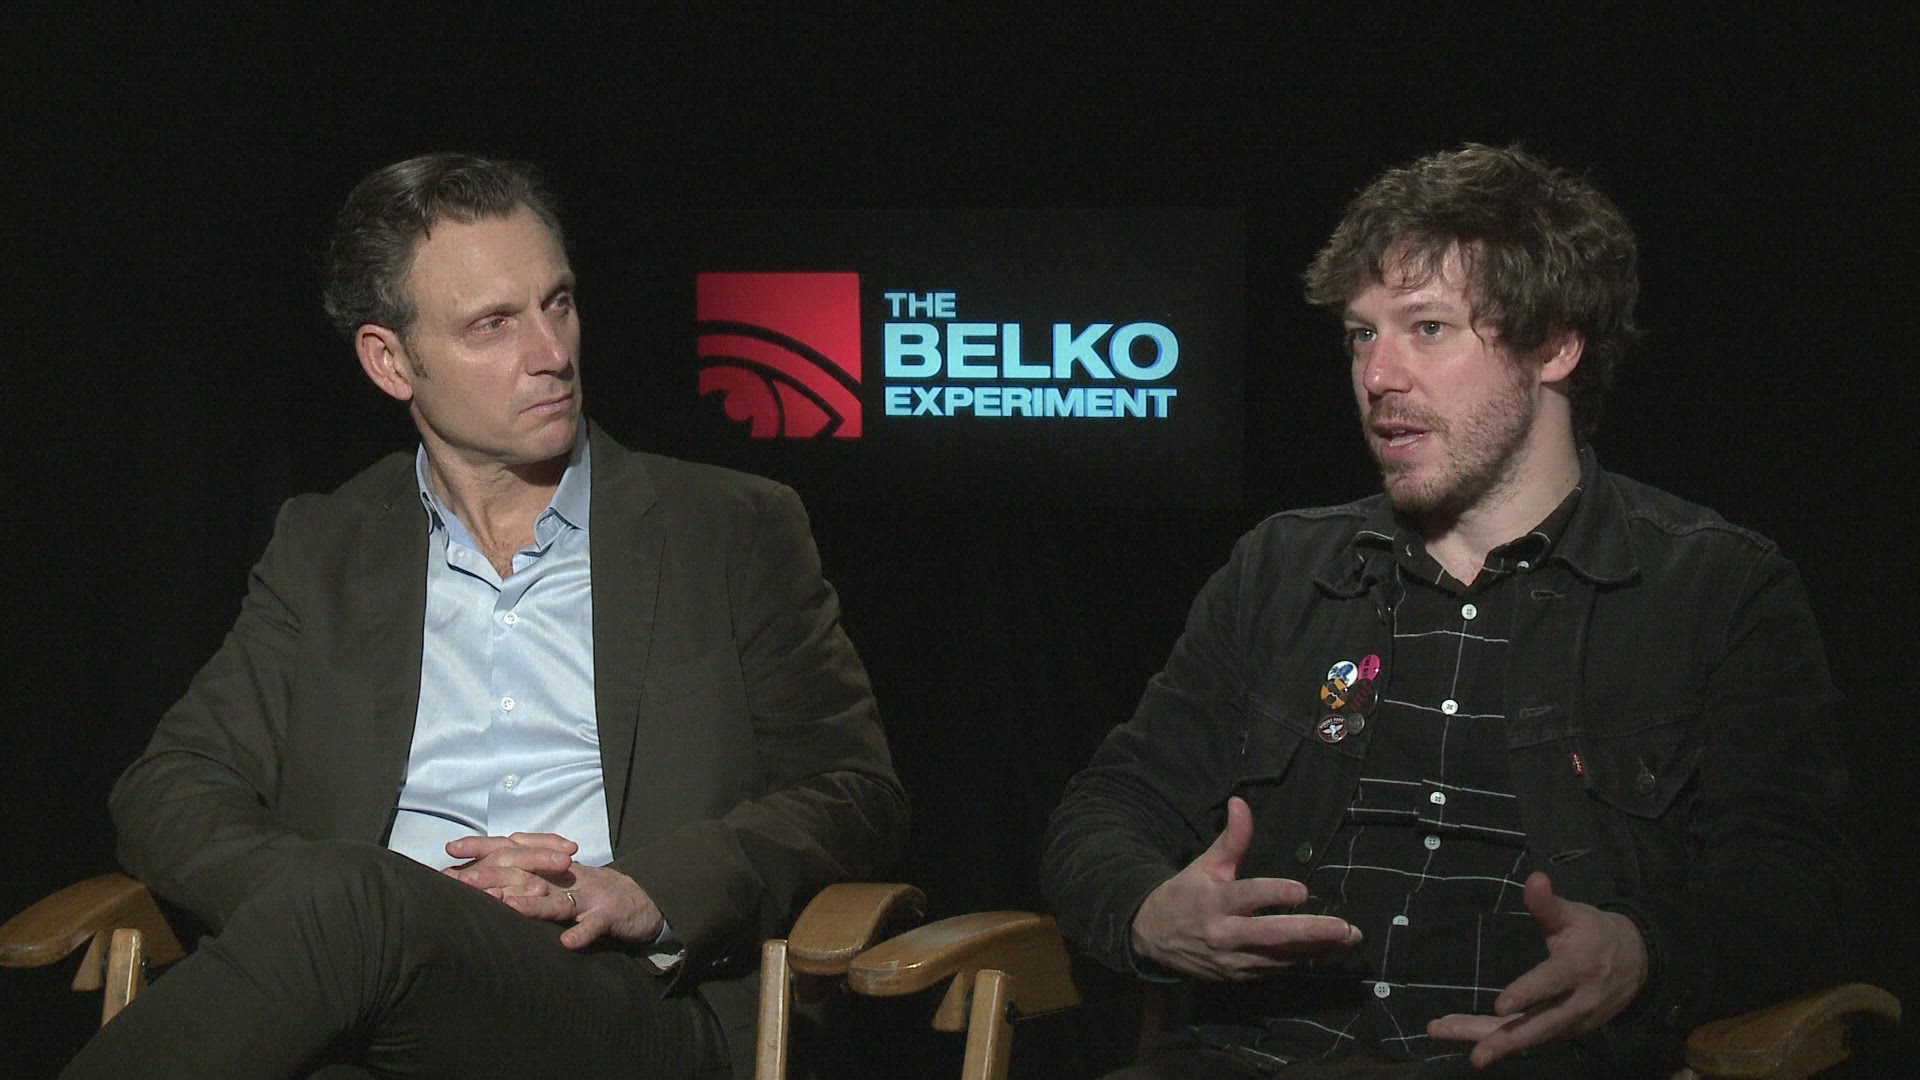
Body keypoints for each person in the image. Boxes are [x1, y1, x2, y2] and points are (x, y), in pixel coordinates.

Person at [63, 153, 907, 1079]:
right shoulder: (328, 546)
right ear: (391, 362)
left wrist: (645, 892)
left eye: (558, 303)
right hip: (359, 1002)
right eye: (493, 325)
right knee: (355, 929)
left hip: (628, 1006)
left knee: (358, 914)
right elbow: (169, 788)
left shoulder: (730, 528)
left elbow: (853, 792)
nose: (552, 353)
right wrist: (374, 905)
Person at [1041, 144, 1848, 1078]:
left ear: (1556, 347)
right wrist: (1149, 912)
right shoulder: (1283, 569)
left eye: (1427, 328)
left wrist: (1642, 954)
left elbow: (1795, 884)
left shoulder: (1714, 589)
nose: (1378, 375)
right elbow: (1111, 805)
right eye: (1361, 334)